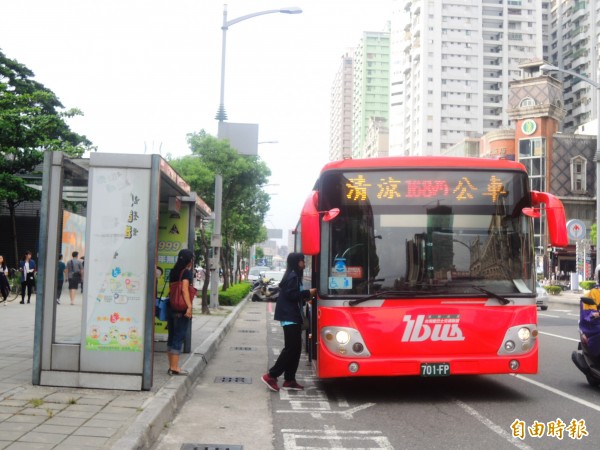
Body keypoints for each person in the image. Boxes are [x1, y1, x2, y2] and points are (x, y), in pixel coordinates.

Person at [262, 252, 316, 392]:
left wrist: (304, 298)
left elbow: (292, 296)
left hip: (292, 316)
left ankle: (290, 379)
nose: (304, 263)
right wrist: (308, 293)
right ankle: (271, 375)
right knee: (291, 348)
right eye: (303, 261)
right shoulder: (292, 276)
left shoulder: (293, 275)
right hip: (289, 317)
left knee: (296, 349)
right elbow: (292, 296)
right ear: (297, 262)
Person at [167, 249, 194, 375]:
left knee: (171, 337)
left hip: (171, 307)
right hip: (181, 309)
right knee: (178, 337)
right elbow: (184, 289)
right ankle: (175, 367)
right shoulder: (186, 272)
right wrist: (189, 306)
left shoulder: (173, 271)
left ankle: (171, 365)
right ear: (189, 260)